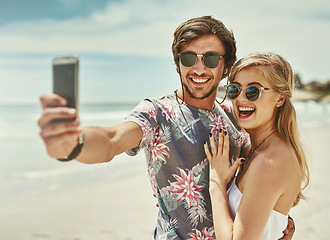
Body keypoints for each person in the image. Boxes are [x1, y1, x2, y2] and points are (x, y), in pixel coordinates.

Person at [37, 16, 294, 239]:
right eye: (189, 57)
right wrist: (74, 143)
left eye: (212, 58)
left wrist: (272, 229)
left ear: (225, 66)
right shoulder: (157, 114)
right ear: (177, 62)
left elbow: (257, 185)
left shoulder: (235, 117)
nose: (199, 68)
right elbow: (111, 140)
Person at [204, 52, 310, 240]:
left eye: (253, 91)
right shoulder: (252, 150)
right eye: (234, 90)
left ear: (280, 98)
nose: (241, 99)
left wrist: (216, 184)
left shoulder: (269, 161)